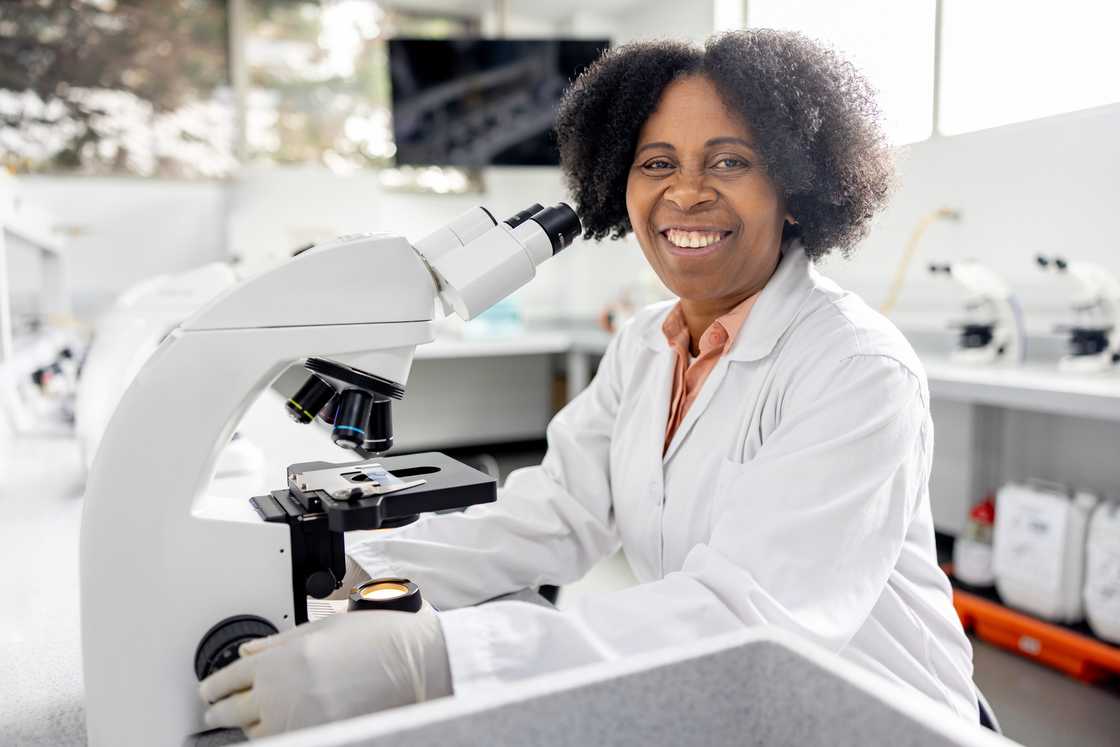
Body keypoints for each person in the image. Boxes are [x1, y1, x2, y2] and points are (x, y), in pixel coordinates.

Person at [200, 30, 978, 738]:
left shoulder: (855, 370)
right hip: (733, 706)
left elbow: (746, 618)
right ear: (620, 185)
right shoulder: (646, 343)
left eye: (730, 160)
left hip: (877, 717)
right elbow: (556, 512)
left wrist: (437, 658)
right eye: (656, 163)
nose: (687, 191)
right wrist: (353, 567)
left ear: (798, 188)